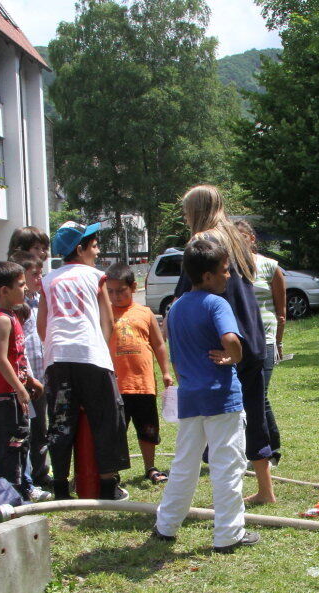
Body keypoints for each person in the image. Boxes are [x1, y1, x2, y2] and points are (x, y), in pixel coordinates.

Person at [151, 239, 260, 553]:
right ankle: (229, 535)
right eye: (224, 271)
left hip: (191, 398)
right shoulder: (217, 303)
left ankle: (166, 526)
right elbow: (231, 339)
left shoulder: (177, 306)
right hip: (221, 398)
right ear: (209, 276)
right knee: (228, 465)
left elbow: (176, 353)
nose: (228, 276)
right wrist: (233, 357)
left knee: (185, 464)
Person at [173, 185, 275, 505]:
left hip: (224, 342)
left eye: (187, 211)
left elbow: (188, 297)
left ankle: (224, 495)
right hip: (252, 338)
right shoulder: (235, 238)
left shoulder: (203, 244)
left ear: (197, 211)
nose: (185, 217)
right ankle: (265, 490)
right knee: (254, 416)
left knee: (216, 423)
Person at [37, 222, 130, 501]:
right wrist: (100, 349)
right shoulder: (96, 276)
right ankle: (107, 487)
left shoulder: (48, 279)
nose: (98, 250)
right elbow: (108, 321)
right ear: (80, 249)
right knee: (107, 418)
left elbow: (42, 324)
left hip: (57, 357)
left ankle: (62, 488)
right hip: (91, 356)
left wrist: (54, 348)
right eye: (94, 244)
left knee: (61, 421)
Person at [0, 262, 46, 501]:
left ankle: (20, 487)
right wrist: (20, 389)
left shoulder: (12, 315)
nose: (24, 288)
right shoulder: (1, 319)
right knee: (12, 442)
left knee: (21, 439)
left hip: (14, 389)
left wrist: (30, 380)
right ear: (4, 290)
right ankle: (9, 492)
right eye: (20, 285)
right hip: (5, 393)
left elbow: (15, 356)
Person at [105, 262, 173, 484]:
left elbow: (159, 344)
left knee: (148, 429)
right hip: (116, 385)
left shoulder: (144, 313)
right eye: (111, 291)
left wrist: (165, 371)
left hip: (143, 384)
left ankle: (150, 467)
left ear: (133, 287)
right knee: (115, 431)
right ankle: (113, 471)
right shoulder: (104, 314)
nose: (116, 296)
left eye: (121, 291)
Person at [236, 219, 284, 463]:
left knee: (259, 393)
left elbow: (281, 310)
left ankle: (271, 447)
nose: (238, 241)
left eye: (242, 236)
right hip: (239, 340)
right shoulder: (230, 268)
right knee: (246, 395)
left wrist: (279, 342)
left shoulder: (270, 266)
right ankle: (251, 449)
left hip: (264, 338)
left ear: (252, 239)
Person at [10, 249, 51, 487]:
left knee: (41, 429)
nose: (39, 279)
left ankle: (40, 471)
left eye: (40, 274)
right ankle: (23, 476)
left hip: (42, 376)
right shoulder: (16, 307)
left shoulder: (39, 302)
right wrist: (27, 379)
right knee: (25, 429)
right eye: (34, 274)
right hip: (25, 380)